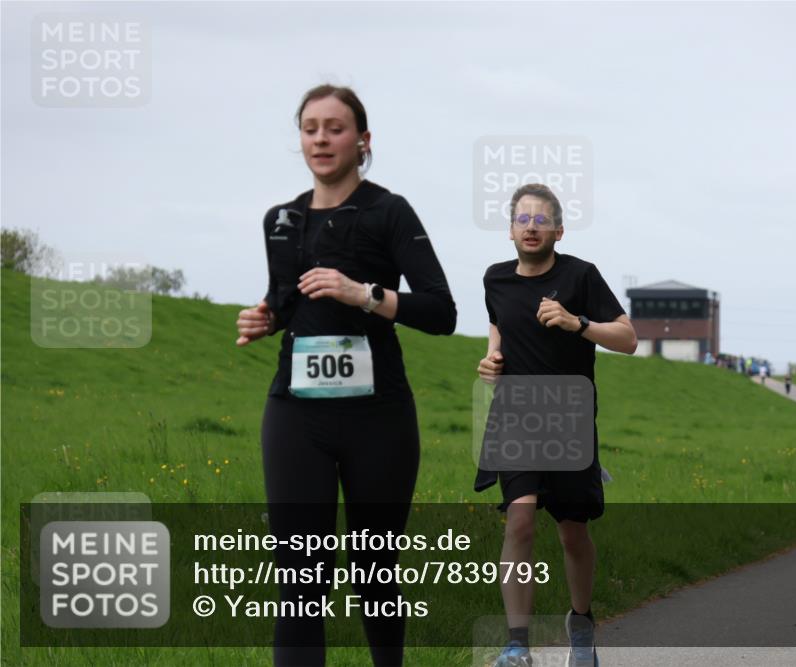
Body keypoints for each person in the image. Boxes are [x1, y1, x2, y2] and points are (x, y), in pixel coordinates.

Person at [236, 84, 456, 667]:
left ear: (363, 141)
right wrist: (266, 317)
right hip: (296, 412)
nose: (321, 139)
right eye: (310, 128)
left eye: (335, 128)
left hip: (377, 416)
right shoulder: (279, 220)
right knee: (299, 582)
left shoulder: (390, 211)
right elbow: (287, 298)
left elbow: (441, 310)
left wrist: (365, 294)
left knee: (374, 575)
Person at [475, 183, 637, 667]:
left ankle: (581, 625)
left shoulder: (580, 276)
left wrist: (577, 323)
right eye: (522, 219)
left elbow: (628, 339)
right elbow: (498, 327)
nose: (531, 227)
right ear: (509, 229)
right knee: (520, 519)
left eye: (541, 219)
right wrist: (490, 359)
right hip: (515, 417)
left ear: (558, 230)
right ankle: (517, 644)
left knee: (572, 532)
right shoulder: (495, 279)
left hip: (568, 419)